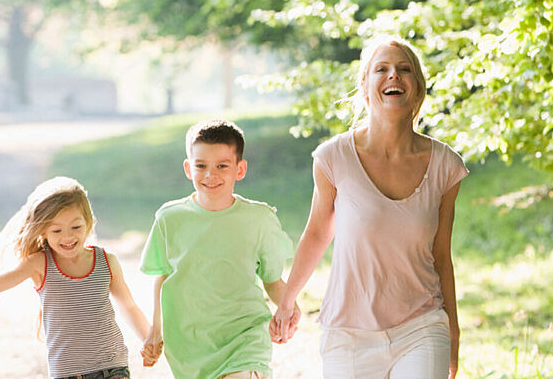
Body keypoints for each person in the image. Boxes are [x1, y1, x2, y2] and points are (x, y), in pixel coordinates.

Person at [269, 37, 468, 379]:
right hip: (349, 333)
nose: (394, 76)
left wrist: (452, 330)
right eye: (383, 69)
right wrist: (287, 301)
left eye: (404, 70)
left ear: (418, 88)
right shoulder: (334, 158)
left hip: (422, 325)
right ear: (365, 86)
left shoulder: (445, 166)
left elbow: (441, 255)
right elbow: (317, 234)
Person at [140, 119, 295, 379]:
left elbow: (272, 280)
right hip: (190, 346)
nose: (211, 175)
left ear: (240, 169)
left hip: (245, 339)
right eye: (201, 166)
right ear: (189, 168)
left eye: (222, 166)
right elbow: (162, 277)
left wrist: (290, 309)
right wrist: (155, 331)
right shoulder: (169, 218)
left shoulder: (260, 219)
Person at [0, 177, 150, 379]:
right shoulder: (39, 263)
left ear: (88, 222)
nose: (68, 237)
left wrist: (148, 338)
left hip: (113, 366)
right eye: (57, 230)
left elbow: (129, 306)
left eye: (76, 227)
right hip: (68, 373)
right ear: (43, 231)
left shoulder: (106, 261)